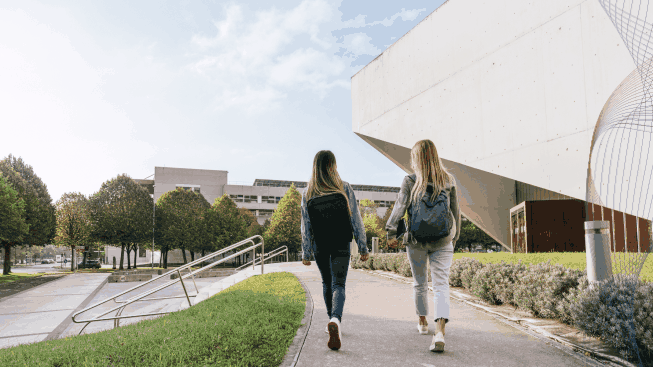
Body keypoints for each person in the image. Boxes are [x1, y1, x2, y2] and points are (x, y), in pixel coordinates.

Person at [385, 139, 461, 353]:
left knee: (419, 283)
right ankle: (440, 332)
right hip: (443, 240)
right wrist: (454, 238)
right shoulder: (448, 179)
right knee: (441, 285)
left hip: (415, 240)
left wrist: (391, 232)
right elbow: (455, 212)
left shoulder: (410, 180)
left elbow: (399, 207)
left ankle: (422, 322)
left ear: (416, 158)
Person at [301, 150, 369, 351]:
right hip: (341, 242)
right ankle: (335, 320)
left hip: (320, 244)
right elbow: (356, 219)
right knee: (339, 284)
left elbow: (306, 225)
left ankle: (331, 320)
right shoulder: (344, 188)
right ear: (333, 166)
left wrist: (306, 252)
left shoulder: (308, 192)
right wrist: (363, 246)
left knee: (326, 282)